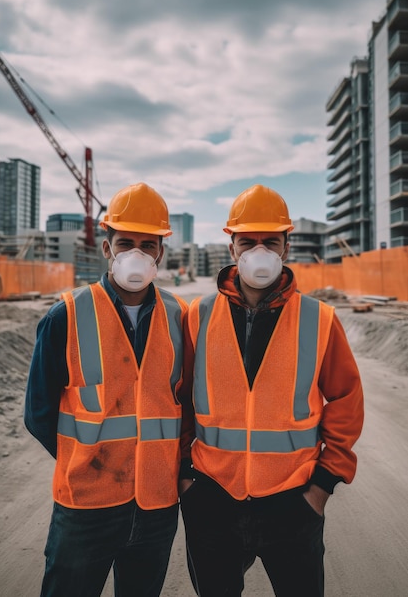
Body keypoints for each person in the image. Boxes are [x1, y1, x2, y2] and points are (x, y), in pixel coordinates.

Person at [180, 184, 364, 597]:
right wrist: (185, 480)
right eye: (248, 241)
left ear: (285, 246)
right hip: (213, 499)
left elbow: (347, 398)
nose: (258, 251)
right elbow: (179, 399)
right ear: (232, 248)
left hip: (293, 502)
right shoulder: (198, 315)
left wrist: (321, 487)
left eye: (270, 241)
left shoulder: (320, 318)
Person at [24, 182, 193, 597]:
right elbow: (39, 413)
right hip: (85, 507)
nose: (136, 254)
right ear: (107, 248)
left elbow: (188, 404)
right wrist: (86, 462)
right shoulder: (66, 314)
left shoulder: (180, 316)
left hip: (155, 506)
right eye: (125, 243)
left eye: (147, 244)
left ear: (161, 252)